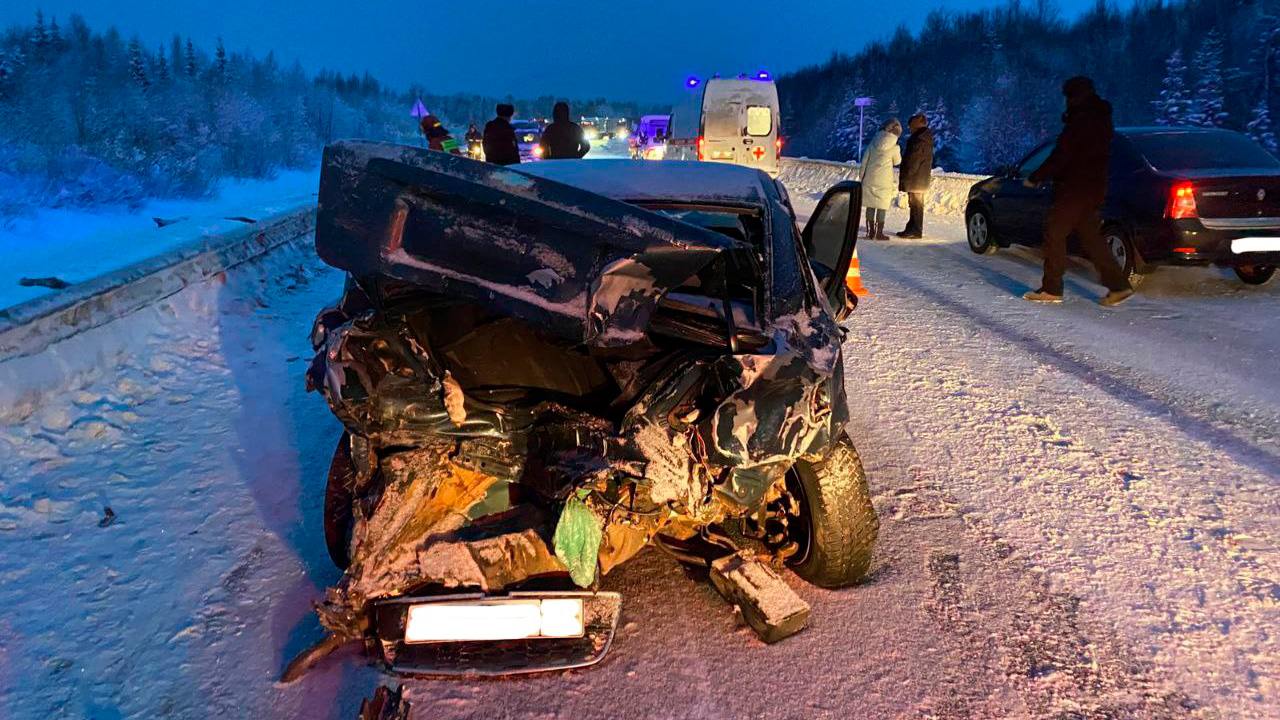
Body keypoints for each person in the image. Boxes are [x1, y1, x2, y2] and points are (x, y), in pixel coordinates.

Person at [1024, 76, 1134, 307]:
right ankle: (1118, 285)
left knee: (1054, 232)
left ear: (1073, 96)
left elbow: (1062, 155)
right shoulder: (1102, 119)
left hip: (1074, 188)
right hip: (1095, 187)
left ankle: (1051, 288)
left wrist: (1036, 176)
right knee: (1091, 236)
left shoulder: (1081, 120)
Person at [859, 118, 902, 241]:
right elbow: (898, 161)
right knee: (881, 206)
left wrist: (862, 176)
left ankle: (870, 232)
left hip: (870, 179)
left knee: (870, 206)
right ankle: (879, 233)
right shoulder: (894, 147)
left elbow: (864, 162)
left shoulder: (873, 144)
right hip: (885, 181)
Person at [897, 113, 934, 238]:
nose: (909, 129)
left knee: (916, 205)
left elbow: (913, 160)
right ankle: (912, 227)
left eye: (911, 126)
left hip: (916, 179)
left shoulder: (918, 140)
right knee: (914, 204)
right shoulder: (924, 138)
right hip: (920, 178)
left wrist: (907, 174)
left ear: (915, 126)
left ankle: (915, 229)